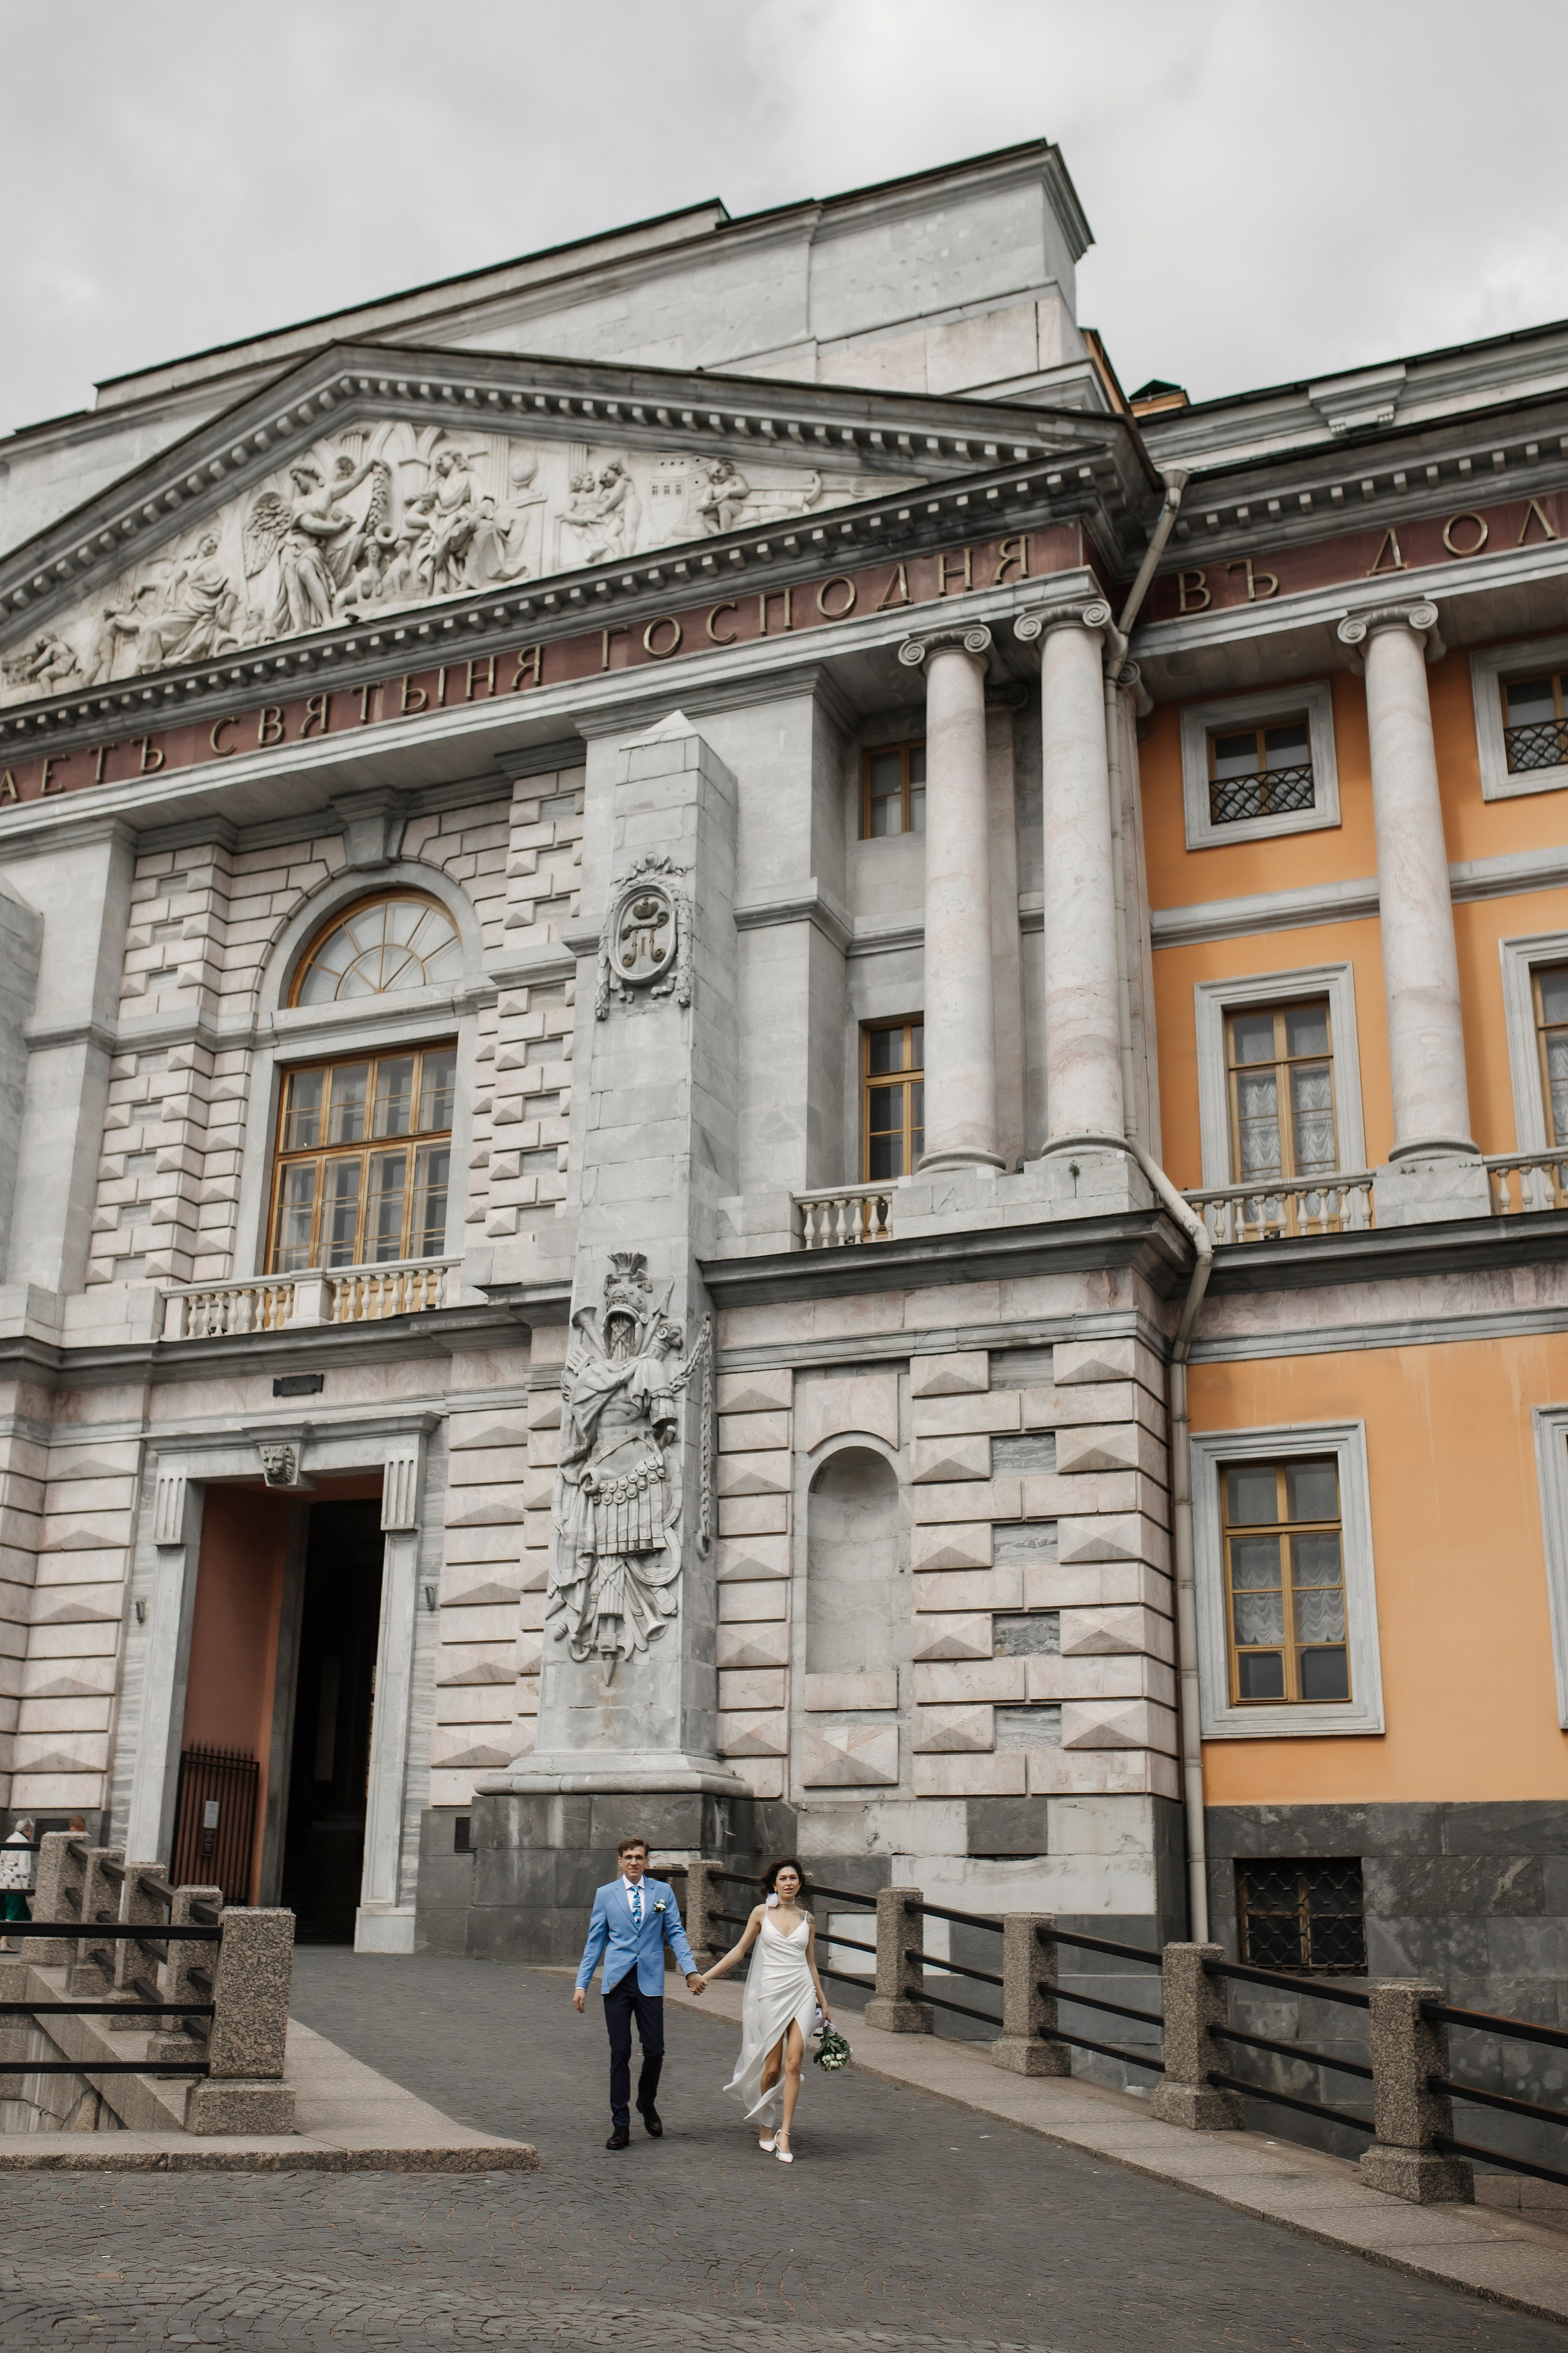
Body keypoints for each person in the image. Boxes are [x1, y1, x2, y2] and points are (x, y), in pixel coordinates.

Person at [693, 1856, 832, 2164]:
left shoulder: (808, 1919)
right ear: (774, 1884)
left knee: (794, 2064)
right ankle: (765, 2125)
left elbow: (810, 1962)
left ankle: (785, 2133)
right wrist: (707, 1976)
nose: (789, 1883)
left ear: (800, 1884)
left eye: (793, 1878)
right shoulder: (761, 1913)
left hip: (802, 1992)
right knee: (772, 2068)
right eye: (783, 1879)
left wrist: (823, 2001)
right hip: (770, 1994)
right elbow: (740, 1951)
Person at [573, 1835, 703, 2149]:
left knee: (655, 2049)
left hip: (649, 1982)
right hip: (617, 1984)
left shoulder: (663, 1892)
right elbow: (595, 1942)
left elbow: (675, 1932)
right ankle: (621, 2124)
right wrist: (581, 1984)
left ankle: (646, 2101)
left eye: (639, 1857)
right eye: (628, 1857)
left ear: (647, 1862)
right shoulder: (606, 1895)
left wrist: (691, 1971)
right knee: (620, 2052)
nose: (634, 1862)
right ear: (620, 1862)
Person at [0, 1816, 37, 1953]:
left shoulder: (9, 1840)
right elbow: (24, 1869)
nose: (31, 1833)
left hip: (2, 1882)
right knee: (13, 1913)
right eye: (31, 1831)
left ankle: (4, 1942)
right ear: (27, 1830)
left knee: (3, 1912)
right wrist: (26, 1888)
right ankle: (4, 1942)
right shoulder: (23, 1844)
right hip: (15, 1884)